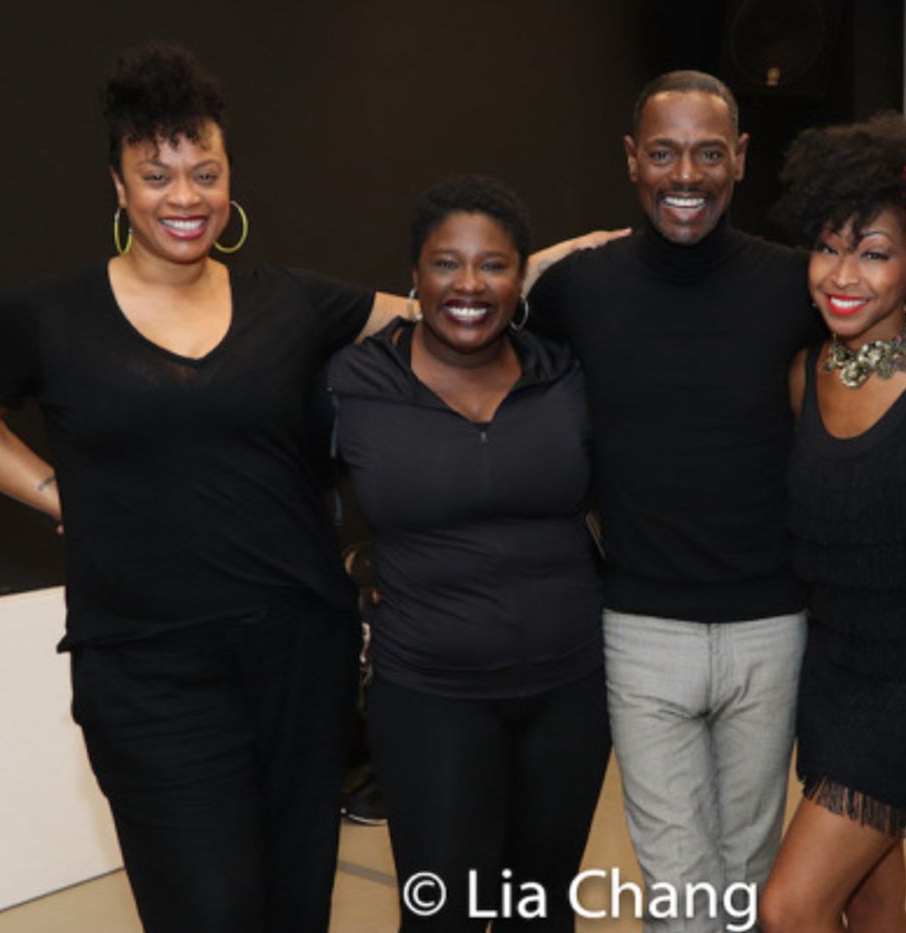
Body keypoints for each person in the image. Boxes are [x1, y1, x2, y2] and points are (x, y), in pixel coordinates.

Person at [0, 43, 417, 933]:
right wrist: (56, 491)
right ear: (119, 187)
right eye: (156, 175)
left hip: (301, 656)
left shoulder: (290, 301)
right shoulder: (47, 315)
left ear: (230, 180)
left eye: (204, 173)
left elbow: (448, 308)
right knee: (209, 909)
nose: (184, 196)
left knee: (295, 904)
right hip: (146, 671)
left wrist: (556, 259)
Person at [528, 71, 820, 928]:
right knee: (680, 890)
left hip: (771, 627)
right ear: (631, 159)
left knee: (748, 875)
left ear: (741, 158)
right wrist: (548, 258)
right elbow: (472, 315)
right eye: (662, 153)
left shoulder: (793, 284)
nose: (684, 175)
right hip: (642, 629)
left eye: (707, 153)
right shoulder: (582, 286)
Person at [327, 175, 610, 932]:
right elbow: (271, 482)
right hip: (429, 696)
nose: (469, 285)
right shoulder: (355, 381)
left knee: (539, 912)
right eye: (446, 263)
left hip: (571, 693)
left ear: (521, 279)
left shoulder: (564, 373)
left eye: (494, 265)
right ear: (413, 277)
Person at [756, 115, 906, 933]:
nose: (843, 274)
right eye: (828, 248)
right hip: (831, 677)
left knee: (789, 908)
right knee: (872, 901)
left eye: (873, 252)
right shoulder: (805, 374)